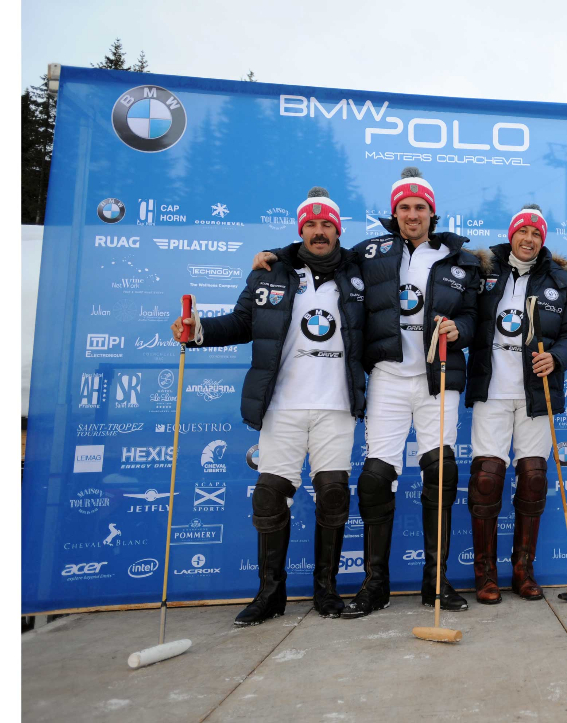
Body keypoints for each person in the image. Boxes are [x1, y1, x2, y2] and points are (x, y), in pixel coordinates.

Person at [254, 168, 480, 616]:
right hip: (389, 379)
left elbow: (475, 315)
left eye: (419, 208)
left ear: (432, 213)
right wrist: (278, 255)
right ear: (393, 213)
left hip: (438, 381)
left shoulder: (461, 260)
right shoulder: (370, 252)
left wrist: (463, 328)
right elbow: (323, 254)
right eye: (403, 207)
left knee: (441, 474)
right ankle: (376, 585)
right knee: (376, 478)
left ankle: (436, 583)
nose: (411, 215)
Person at [174, 187, 366, 625]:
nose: (319, 232)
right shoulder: (269, 273)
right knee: (269, 495)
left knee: (334, 494)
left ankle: (326, 591)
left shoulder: (359, 273)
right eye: (311, 225)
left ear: (338, 229)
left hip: (336, 405)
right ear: (301, 229)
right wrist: (197, 329)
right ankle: (270, 594)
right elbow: (243, 323)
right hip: (283, 405)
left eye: (327, 225)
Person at [464, 204, 567, 603]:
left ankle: (523, 570)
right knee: (487, 480)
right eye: (522, 231)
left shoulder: (561, 281)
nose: (528, 239)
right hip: (493, 390)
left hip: (537, 393)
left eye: (536, 233)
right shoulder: (483, 270)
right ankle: (485, 574)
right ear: (512, 234)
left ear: (542, 239)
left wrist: (558, 357)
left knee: (533, 478)